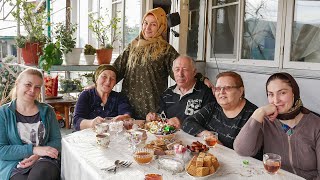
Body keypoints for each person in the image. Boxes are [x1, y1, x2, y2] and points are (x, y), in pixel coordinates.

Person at [113, 7, 212, 120]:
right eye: (145, 23)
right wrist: (98, 83)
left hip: (152, 109)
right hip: (128, 108)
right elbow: (116, 69)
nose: (148, 28)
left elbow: (182, 70)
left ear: (161, 26)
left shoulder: (165, 49)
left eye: (153, 24)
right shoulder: (132, 46)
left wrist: (202, 79)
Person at [234, 72, 320, 179]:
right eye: (271, 94)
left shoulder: (316, 124)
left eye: (282, 93)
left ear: (294, 93)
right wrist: (259, 112)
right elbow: (242, 150)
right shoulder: (266, 121)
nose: (276, 100)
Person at [0, 68, 61, 180]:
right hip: (14, 164)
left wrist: (38, 154)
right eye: (28, 84)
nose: (32, 90)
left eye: (37, 87)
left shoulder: (48, 111)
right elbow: (1, 150)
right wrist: (33, 149)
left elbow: (57, 141)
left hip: (44, 160)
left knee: (41, 173)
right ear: (17, 84)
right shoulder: (3, 113)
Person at [182, 71, 258, 150]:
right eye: (218, 88)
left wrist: (222, 148)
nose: (221, 92)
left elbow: (249, 151)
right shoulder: (213, 107)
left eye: (227, 88)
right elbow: (187, 123)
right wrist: (206, 134)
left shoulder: (253, 116)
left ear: (240, 91)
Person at [146, 55, 215, 128]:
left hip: (194, 138)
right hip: (169, 137)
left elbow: (211, 122)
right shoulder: (167, 94)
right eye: (177, 69)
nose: (180, 74)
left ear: (194, 72)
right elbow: (162, 118)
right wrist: (155, 117)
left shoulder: (205, 93)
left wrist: (182, 124)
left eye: (185, 69)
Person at [73, 65, 132, 131]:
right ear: (96, 79)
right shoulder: (86, 95)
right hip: (88, 136)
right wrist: (92, 123)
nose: (108, 82)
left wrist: (124, 117)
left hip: (112, 136)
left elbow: (126, 113)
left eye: (112, 79)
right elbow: (76, 121)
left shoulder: (119, 97)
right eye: (104, 77)